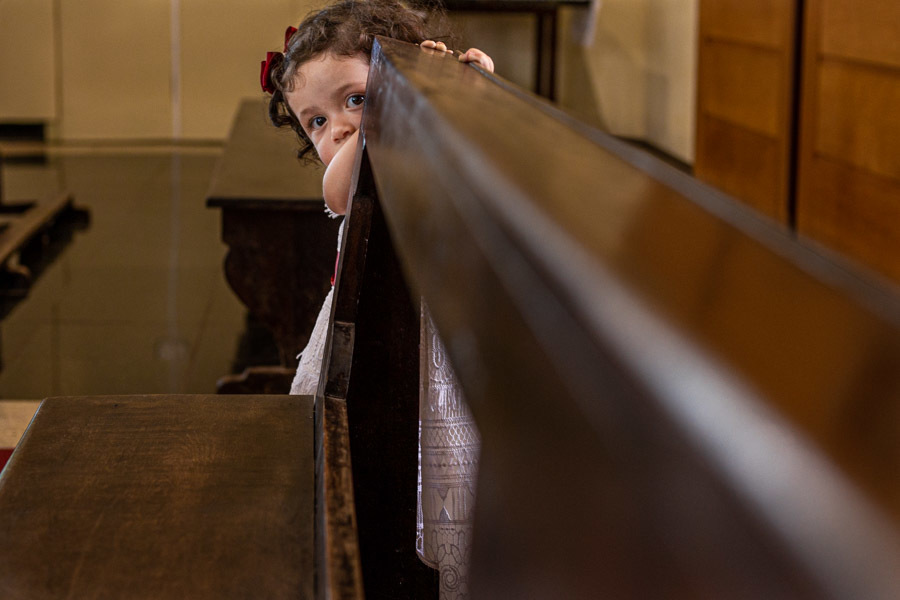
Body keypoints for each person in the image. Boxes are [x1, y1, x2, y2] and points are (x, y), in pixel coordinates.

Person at [260, 2, 492, 597]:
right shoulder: (345, 174)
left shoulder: (406, 142)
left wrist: (459, 90)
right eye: (315, 121)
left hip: (433, 335)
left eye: (355, 100)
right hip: (363, 344)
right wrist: (395, 108)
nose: (337, 129)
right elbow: (343, 188)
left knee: (447, 451)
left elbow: (479, 147)